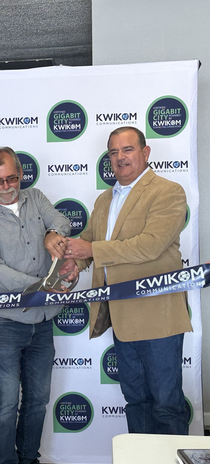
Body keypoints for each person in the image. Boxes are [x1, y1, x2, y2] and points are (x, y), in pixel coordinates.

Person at [63, 126, 192, 434]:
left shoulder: (168, 191)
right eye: (113, 152)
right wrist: (75, 264)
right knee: (136, 402)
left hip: (158, 318)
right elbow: (91, 242)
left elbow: (150, 245)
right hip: (120, 317)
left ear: (145, 153)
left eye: (127, 150)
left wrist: (91, 249)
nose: (119, 158)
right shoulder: (104, 199)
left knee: (166, 404)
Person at [0, 147, 70, 464]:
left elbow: (63, 222)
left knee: (38, 399)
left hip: (43, 321)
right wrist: (42, 286)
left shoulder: (36, 198)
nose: (6, 186)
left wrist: (54, 233)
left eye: (12, 178)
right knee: (6, 402)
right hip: (6, 323)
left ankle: (28, 462)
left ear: (21, 174)